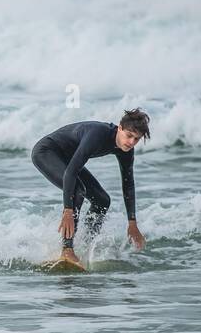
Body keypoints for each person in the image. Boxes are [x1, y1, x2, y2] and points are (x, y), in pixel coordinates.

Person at [31, 107, 149, 267]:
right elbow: (71, 172)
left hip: (67, 158)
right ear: (120, 128)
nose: (131, 142)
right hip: (46, 152)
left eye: (136, 139)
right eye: (129, 136)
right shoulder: (98, 135)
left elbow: (128, 183)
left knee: (102, 200)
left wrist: (132, 222)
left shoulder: (126, 150)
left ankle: (84, 246)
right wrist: (67, 209)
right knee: (78, 191)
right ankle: (67, 250)